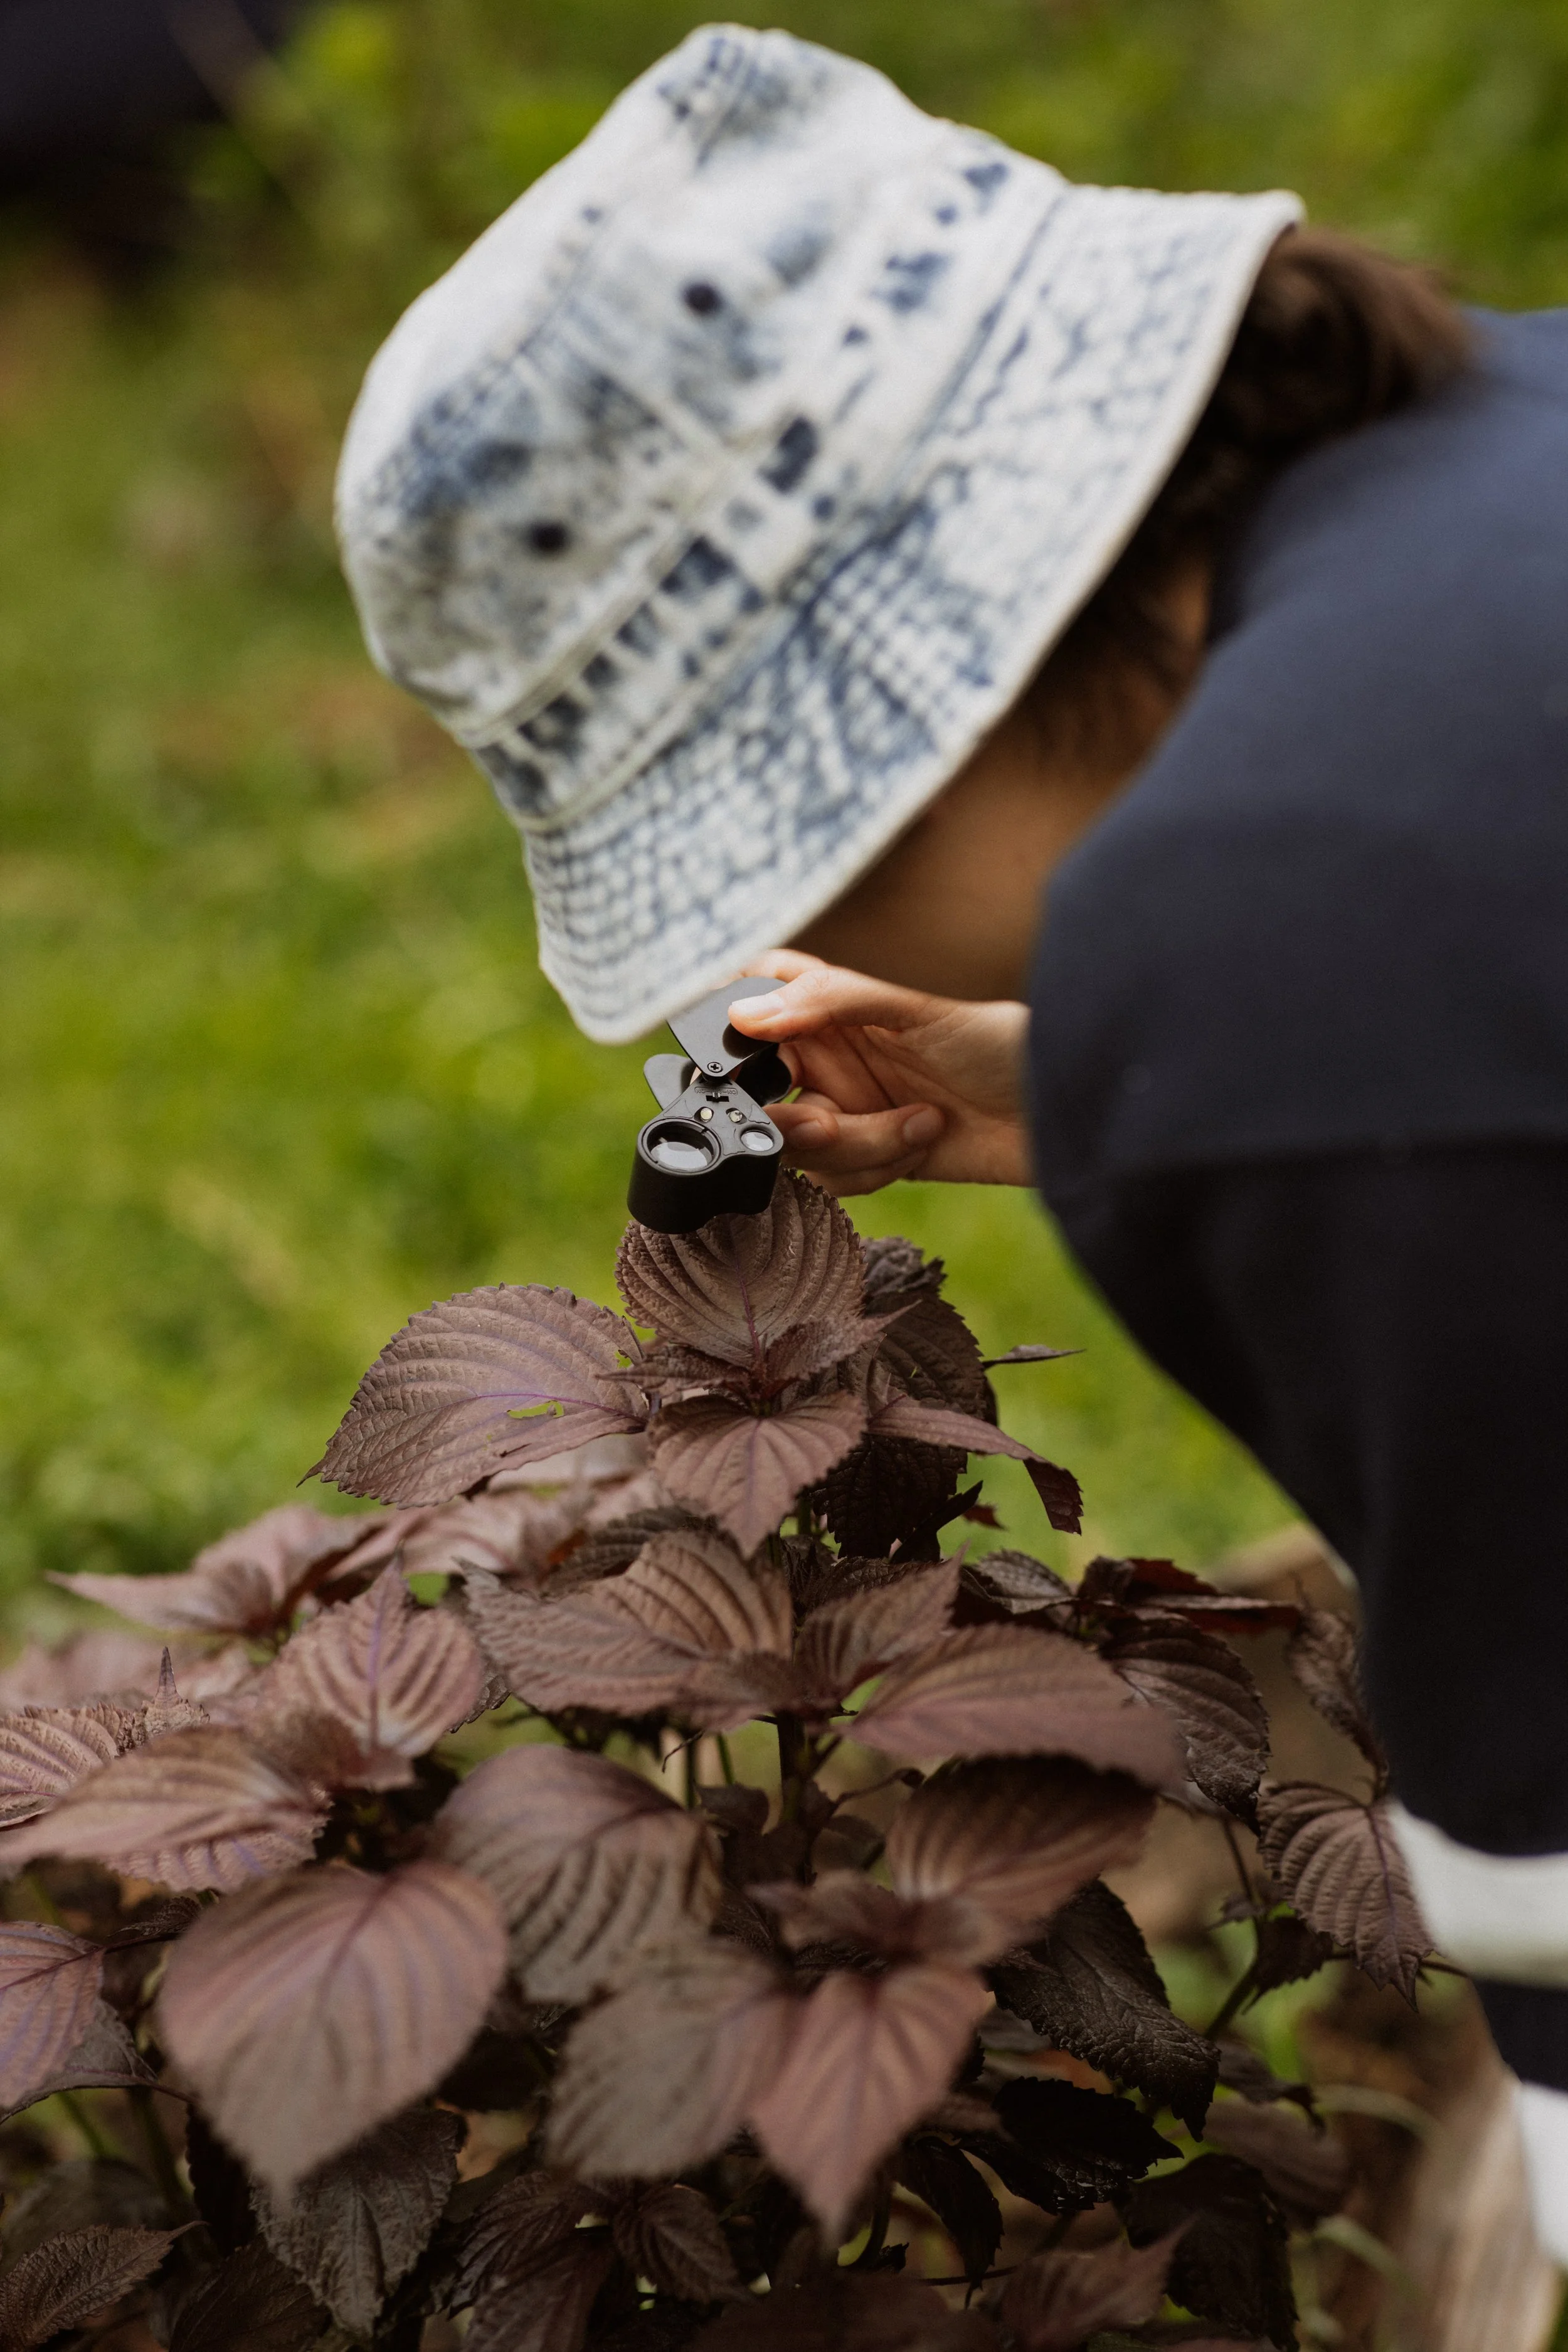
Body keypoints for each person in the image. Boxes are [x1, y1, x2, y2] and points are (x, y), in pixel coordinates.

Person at [334, 24, 1568, 2257]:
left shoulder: (1285, 955)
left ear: (883, 719)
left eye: (741, 865)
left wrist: (1224, 1076)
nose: (780, 937)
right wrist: (1120, 1067)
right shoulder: (1518, 436)